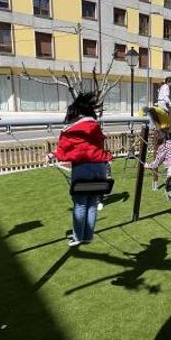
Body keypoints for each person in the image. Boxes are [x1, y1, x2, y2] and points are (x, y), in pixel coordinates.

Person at [50, 93, 113, 247]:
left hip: (83, 169)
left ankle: (77, 236)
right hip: (99, 168)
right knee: (91, 203)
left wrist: (53, 155)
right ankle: (87, 236)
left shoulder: (70, 129)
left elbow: (64, 151)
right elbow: (97, 148)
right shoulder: (96, 127)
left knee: (80, 204)